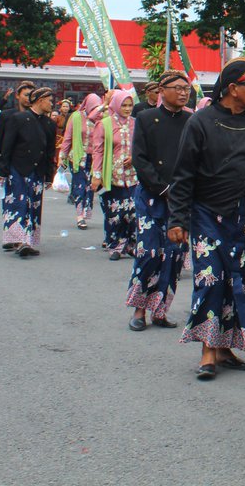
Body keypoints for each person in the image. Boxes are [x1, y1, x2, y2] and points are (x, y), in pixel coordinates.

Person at [167, 57, 245, 380]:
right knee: (210, 279)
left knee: (244, 282)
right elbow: (183, 175)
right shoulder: (201, 122)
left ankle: (225, 347)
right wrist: (177, 219)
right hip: (208, 213)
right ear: (233, 88)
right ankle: (208, 349)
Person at [126, 70, 193, 331]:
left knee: (174, 256)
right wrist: (162, 187)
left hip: (182, 199)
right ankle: (139, 309)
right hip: (153, 196)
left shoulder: (191, 120)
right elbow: (140, 158)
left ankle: (161, 310)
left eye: (186, 88)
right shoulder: (145, 118)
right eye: (176, 87)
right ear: (161, 90)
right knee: (149, 252)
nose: (183, 92)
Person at [0, 87, 57, 256]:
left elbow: (50, 151)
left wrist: (49, 175)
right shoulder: (18, 119)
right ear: (39, 100)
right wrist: (1, 169)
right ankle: (19, 241)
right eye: (49, 100)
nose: (52, 104)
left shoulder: (50, 124)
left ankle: (29, 241)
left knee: (34, 205)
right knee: (19, 204)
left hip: (38, 170)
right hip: (18, 169)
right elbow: (6, 145)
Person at [88, 89, 138, 260]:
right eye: (124, 105)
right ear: (116, 105)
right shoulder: (104, 124)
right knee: (115, 213)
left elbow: (142, 146)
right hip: (112, 176)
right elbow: (98, 151)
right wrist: (96, 175)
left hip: (133, 176)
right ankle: (115, 246)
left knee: (132, 212)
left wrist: (134, 157)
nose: (127, 108)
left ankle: (131, 245)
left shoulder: (136, 124)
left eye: (130, 105)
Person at [60, 93, 102, 231]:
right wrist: (62, 156)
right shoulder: (76, 117)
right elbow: (67, 138)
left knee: (90, 187)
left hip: (95, 158)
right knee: (80, 185)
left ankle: (85, 213)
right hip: (78, 157)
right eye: (93, 107)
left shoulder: (101, 117)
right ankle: (79, 216)